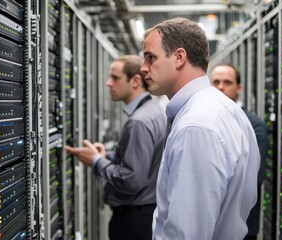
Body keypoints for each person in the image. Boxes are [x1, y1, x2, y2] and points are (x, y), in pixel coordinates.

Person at [140, 17, 260, 240]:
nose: (143, 67)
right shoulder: (226, 110)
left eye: (150, 57)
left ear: (179, 57)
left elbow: (187, 233)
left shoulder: (195, 126)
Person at [65, 55, 166, 240]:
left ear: (135, 81)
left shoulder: (138, 122)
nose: (108, 83)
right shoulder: (152, 112)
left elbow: (131, 180)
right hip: (146, 214)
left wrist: (96, 161)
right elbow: (143, 159)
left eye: (115, 78)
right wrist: (108, 156)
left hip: (133, 220)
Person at [211, 63, 268, 240]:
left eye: (227, 82)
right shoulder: (207, 121)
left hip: (241, 224)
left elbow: (254, 176)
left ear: (239, 87)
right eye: (216, 82)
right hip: (211, 221)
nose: (221, 87)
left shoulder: (254, 125)